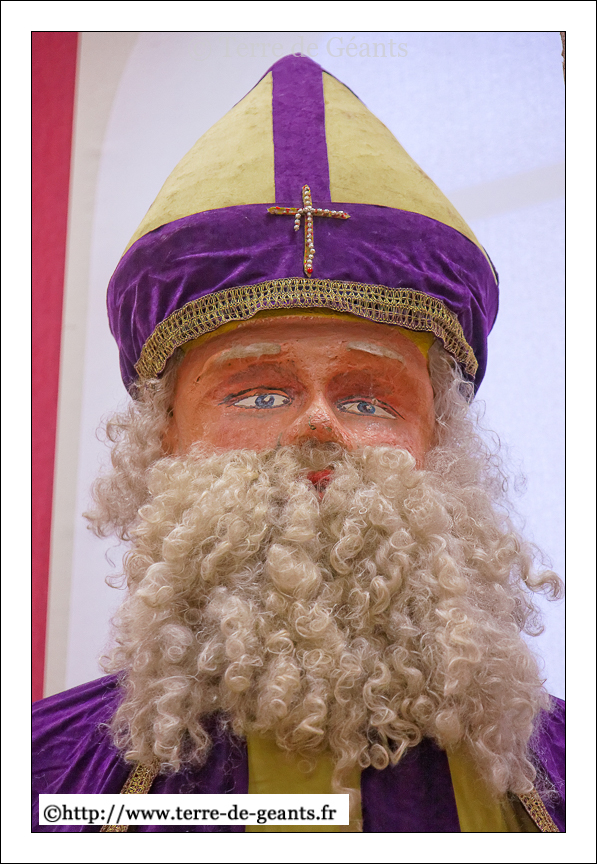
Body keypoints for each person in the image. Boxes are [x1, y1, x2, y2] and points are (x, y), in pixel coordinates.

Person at [32, 54, 564, 833]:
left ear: (440, 442)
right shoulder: (37, 777)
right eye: (258, 393)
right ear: (164, 439)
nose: (316, 424)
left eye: (366, 398)